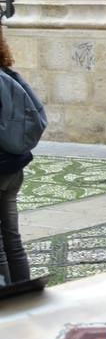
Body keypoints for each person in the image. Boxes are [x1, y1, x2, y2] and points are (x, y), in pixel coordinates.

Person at [0, 23, 45, 286]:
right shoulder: (8, 74)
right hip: (13, 169)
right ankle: (24, 295)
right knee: (12, 239)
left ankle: (5, 305)